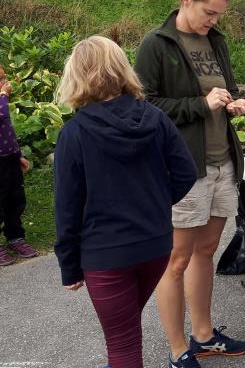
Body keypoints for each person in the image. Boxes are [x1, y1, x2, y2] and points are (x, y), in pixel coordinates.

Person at [135, 0, 245, 368]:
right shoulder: (157, 43)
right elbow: (144, 106)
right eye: (209, 13)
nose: (214, 21)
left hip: (223, 162)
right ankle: (176, 351)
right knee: (178, 259)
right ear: (187, 0)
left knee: (206, 251)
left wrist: (233, 102)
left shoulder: (215, 41)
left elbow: (226, 88)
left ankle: (203, 336)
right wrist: (199, 106)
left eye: (219, 14)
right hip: (185, 169)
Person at [53, 36, 198, 368]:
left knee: (123, 344)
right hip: (156, 245)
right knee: (126, 327)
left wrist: (69, 265)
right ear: (121, 68)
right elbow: (185, 172)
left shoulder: (73, 134)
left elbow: (67, 208)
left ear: (75, 75)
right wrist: (157, 205)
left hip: (106, 256)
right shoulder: (155, 117)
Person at [0, 65, 38, 266]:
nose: (5, 84)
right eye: (0, 80)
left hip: (9, 157)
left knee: (14, 199)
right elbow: (1, 115)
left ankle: (15, 236)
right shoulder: (2, 102)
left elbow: (8, 132)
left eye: (4, 79)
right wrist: (3, 96)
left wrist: (18, 155)